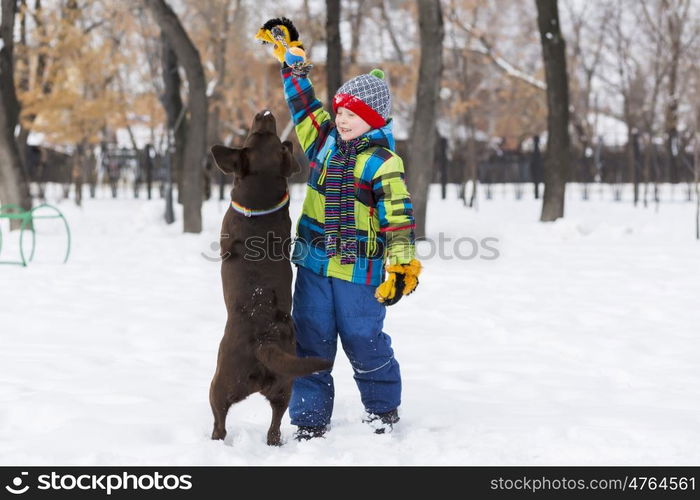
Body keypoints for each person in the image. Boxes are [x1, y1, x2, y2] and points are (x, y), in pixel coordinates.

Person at [256, 18, 422, 440]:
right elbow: (306, 110)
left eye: (352, 114)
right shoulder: (325, 142)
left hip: (359, 274)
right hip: (313, 265)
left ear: (372, 119)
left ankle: (383, 410)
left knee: (365, 341)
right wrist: (294, 72)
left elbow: (398, 219)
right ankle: (310, 419)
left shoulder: (383, 163)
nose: (342, 119)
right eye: (341, 111)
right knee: (309, 342)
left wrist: (403, 266)